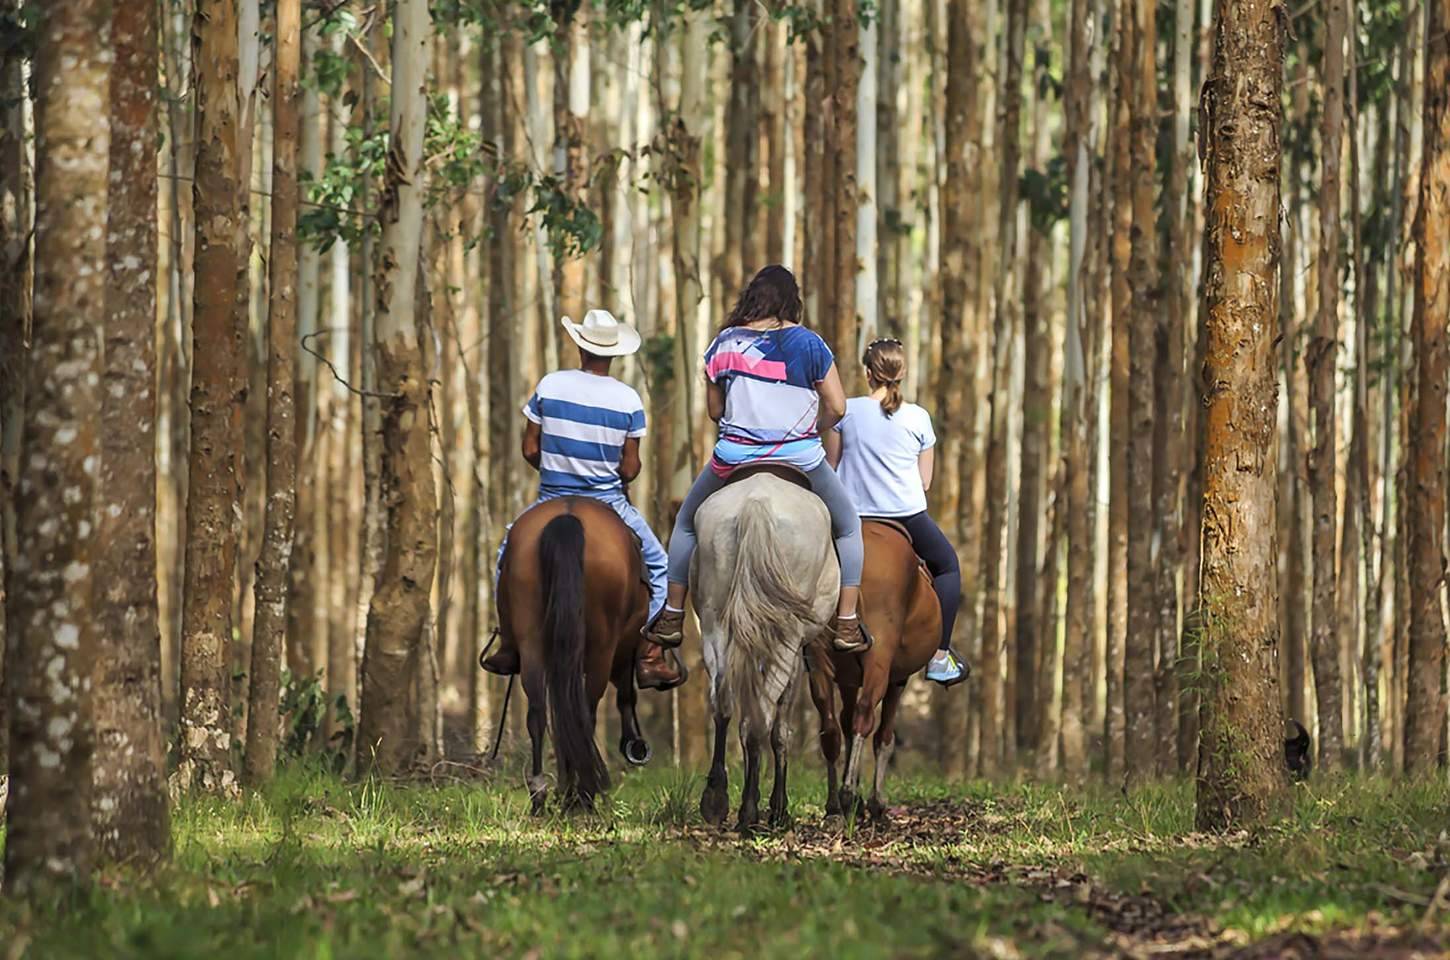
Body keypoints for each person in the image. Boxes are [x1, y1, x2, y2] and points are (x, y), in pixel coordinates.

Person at [645, 265, 868, 654]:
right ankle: (847, 623)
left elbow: (716, 412)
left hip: (734, 455)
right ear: (790, 301)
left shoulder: (725, 343)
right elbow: (838, 405)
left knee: (685, 524)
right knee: (849, 526)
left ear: (753, 297)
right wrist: (814, 427)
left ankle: (672, 612)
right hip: (800, 456)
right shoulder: (811, 343)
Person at [482, 309, 683, 690]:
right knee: (661, 568)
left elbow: (529, 448)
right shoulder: (628, 399)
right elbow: (631, 465)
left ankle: (509, 642)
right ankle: (650, 655)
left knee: (507, 554)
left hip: (551, 495)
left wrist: (556, 466)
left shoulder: (550, 385)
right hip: (608, 501)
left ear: (580, 347)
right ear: (613, 353)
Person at [823, 337, 966, 686]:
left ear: (868, 372)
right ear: (901, 374)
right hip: (907, 516)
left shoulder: (847, 411)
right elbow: (925, 481)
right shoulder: (919, 417)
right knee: (948, 567)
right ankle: (940, 657)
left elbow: (831, 465)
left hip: (853, 518)